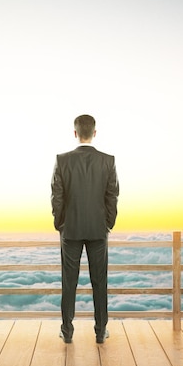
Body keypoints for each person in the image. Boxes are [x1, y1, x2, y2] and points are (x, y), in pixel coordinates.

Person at [51, 114, 119, 344]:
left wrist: (60, 223)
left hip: (70, 229)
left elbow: (56, 198)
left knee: (69, 281)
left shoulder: (62, 160)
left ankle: (67, 332)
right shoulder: (107, 160)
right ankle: (101, 331)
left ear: (75, 133)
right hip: (98, 229)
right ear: (95, 133)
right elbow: (112, 196)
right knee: (100, 281)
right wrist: (107, 223)